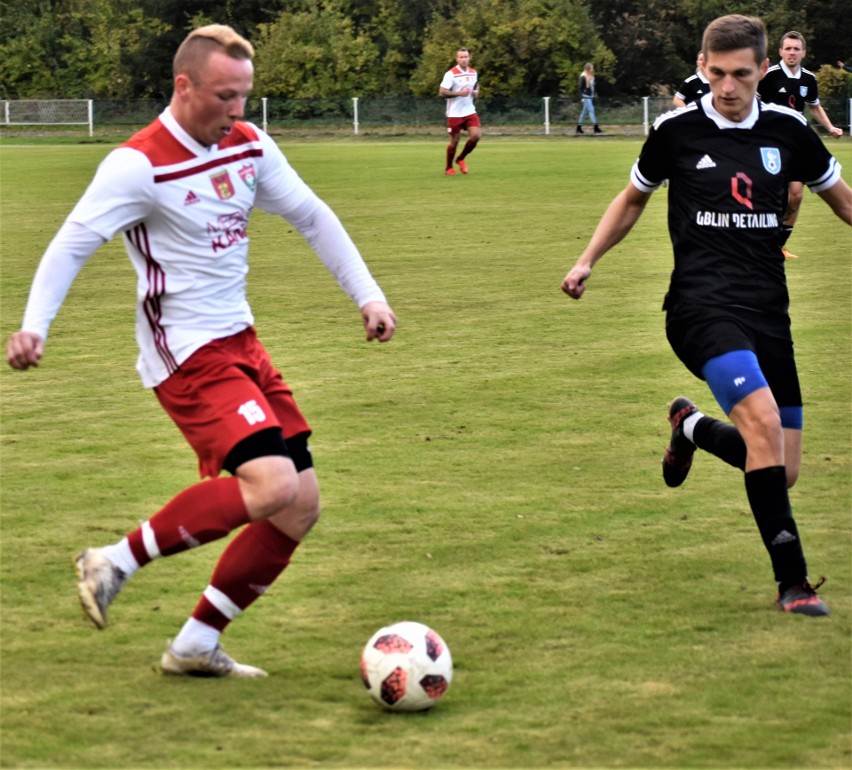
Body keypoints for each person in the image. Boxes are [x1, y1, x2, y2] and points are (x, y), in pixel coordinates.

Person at [6, 24, 397, 677]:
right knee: (271, 484)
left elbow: (311, 215)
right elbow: (72, 244)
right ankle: (114, 561)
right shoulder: (139, 163)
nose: (238, 110)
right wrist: (34, 325)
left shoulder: (248, 144)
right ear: (184, 86)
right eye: (225, 95)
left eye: (245, 95)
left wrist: (368, 295)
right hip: (184, 350)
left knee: (300, 503)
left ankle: (194, 645)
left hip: (241, 339)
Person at [561, 14, 851, 617]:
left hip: (769, 312)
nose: (726, 87)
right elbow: (633, 197)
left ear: (762, 71)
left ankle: (689, 428)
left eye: (740, 74)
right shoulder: (676, 131)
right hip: (700, 308)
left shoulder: (790, 130)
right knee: (764, 425)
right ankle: (793, 584)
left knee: (781, 466)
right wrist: (588, 259)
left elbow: (837, 195)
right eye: (715, 73)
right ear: (702, 67)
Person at [757, 31, 843, 259]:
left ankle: (777, 246)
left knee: (795, 196)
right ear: (780, 52)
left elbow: (814, 106)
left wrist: (830, 127)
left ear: (803, 53)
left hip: (796, 144)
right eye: (788, 48)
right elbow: (751, 100)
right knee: (770, 194)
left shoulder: (808, 79)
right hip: (769, 145)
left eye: (796, 49)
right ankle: (759, 240)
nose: (792, 52)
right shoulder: (768, 75)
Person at [439, 47, 480, 175]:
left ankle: (461, 158)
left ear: (469, 58)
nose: (464, 59)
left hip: (469, 111)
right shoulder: (451, 74)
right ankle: (448, 167)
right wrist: (459, 93)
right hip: (454, 113)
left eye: (466, 57)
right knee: (454, 142)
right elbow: (442, 92)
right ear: (457, 59)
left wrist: (476, 92)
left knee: (476, 136)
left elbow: (476, 84)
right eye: (461, 57)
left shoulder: (473, 72)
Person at [576, 63, 602, 134]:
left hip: (590, 96)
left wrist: (594, 93)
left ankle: (579, 127)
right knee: (591, 110)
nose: (592, 69)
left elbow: (592, 87)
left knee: (584, 113)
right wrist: (582, 96)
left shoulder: (591, 76)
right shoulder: (583, 76)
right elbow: (580, 87)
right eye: (591, 68)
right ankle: (595, 127)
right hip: (586, 96)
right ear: (588, 69)